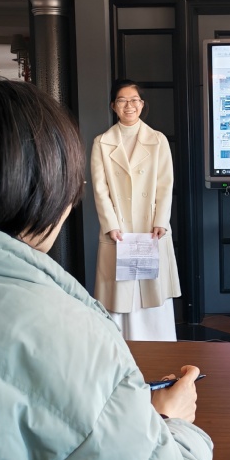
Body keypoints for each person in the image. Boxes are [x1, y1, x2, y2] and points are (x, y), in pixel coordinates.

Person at [0, 72, 212, 460]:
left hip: (147, 232)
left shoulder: (156, 141)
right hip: (121, 239)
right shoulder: (70, 336)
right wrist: (168, 424)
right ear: (51, 195)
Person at [91, 79, 182, 341]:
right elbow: (100, 189)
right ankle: (122, 350)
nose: (129, 105)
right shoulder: (102, 142)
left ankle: (160, 346)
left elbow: (165, 184)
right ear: (113, 105)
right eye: (122, 100)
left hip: (150, 227)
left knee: (153, 290)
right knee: (120, 292)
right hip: (119, 230)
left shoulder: (158, 140)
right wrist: (110, 224)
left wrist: (161, 220)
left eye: (134, 100)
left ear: (142, 104)